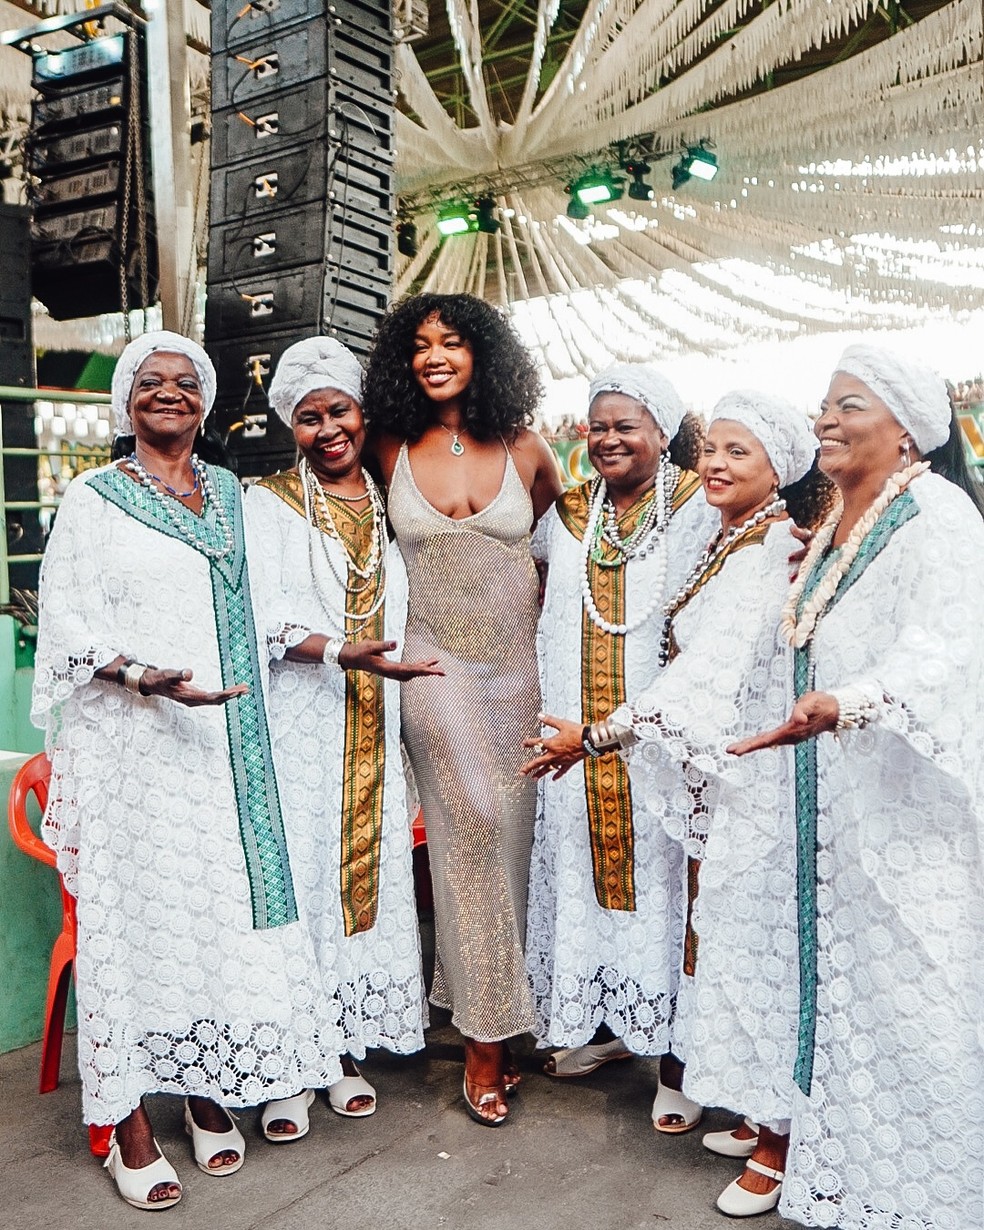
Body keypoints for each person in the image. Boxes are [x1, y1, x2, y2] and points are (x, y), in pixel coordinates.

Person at [31, 331, 436, 1212]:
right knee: (134, 928)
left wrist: (345, 653)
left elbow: (282, 618)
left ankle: (204, 1086)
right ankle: (128, 1123)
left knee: (210, 919)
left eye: (186, 383)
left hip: (226, 753)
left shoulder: (239, 502)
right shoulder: (94, 499)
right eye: (150, 382)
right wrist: (142, 676)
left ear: (207, 405)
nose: (168, 393)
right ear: (124, 404)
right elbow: (65, 627)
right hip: (133, 752)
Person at [730, 345, 984, 1229]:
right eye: (823, 406)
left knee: (917, 994)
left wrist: (848, 701)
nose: (825, 420)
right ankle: (859, 1176)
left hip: (906, 810)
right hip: (839, 803)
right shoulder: (840, 525)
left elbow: (946, 648)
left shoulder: (939, 517)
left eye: (849, 405)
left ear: (909, 429)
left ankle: (930, 1195)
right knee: (853, 994)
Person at [362, 292, 563, 1126]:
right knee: (473, 822)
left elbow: (566, 551)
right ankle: (483, 1041)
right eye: (418, 345)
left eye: (451, 341)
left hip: (516, 676)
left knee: (508, 845)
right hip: (430, 666)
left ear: (485, 353)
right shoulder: (387, 447)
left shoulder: (528, 450)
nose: (434, 355)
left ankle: (502, 1018)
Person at [242, 337, 429, 1140]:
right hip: (301, 718)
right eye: (309, 418)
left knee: (366, 881)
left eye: (338, 412)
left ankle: (343, 1045)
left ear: (362, 413)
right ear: (292, 426)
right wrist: (335, 649)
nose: (327, 430)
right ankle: (291, 1058)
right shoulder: (269, 502)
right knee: (306, 877)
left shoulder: (393, 499)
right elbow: (261, 611)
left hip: (375, 726)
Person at [522, 365, 715, 1093]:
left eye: (625, 425)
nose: (608, 439)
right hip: (573, 733)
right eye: (598, 426)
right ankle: (609, 1026)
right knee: (585, 877)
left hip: (661, 740)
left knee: (669, 887)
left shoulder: (698, 504)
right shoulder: (570, 512)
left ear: (662, 434)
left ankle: (677, 1058)